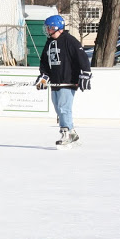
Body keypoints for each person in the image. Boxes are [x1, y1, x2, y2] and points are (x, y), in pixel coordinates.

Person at [35, 14, 92, 147]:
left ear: (57, 27)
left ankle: (65, 134)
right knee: (58, 108)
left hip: (68, 80)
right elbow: (44, 62)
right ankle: (72, 133)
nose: (47, 30)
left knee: (63, 108)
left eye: (49, 28)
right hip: (55, 81)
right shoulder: (49, 42)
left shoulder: (70, 40)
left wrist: (86, 73)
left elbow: (82, 57)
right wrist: (44, 76)